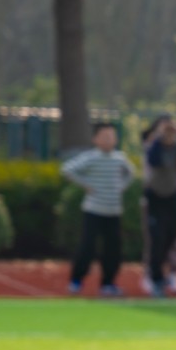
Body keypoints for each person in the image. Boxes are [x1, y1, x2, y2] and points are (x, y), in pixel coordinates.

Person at [61, 122, 136, 297]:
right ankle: (76, 280)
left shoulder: (120, 158)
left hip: (114, 212)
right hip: (94, 211)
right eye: (104, 136)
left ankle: (108, 283)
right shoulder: (91, 157)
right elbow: (67, 169)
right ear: (95, 139)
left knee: (113, 250)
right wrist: (86, 184)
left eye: (111, 136)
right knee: (87, 247)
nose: (108, 139)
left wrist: (121, 186)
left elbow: (131, 173)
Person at [139, 114, 176, 298]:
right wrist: (159, 137)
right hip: (155, 198)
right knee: (156, 239)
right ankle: (155, 278)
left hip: (174, 198)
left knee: (173, 235)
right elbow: (154, 160)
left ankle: (170, 273)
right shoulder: (152, 145)